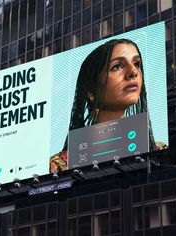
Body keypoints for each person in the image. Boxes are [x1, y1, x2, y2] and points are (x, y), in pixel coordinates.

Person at [50, 38, 156, 173]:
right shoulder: (62, 163)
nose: (133, 72)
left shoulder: (156, 149)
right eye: (117, 66)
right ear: (91, 92)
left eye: (136, 64)